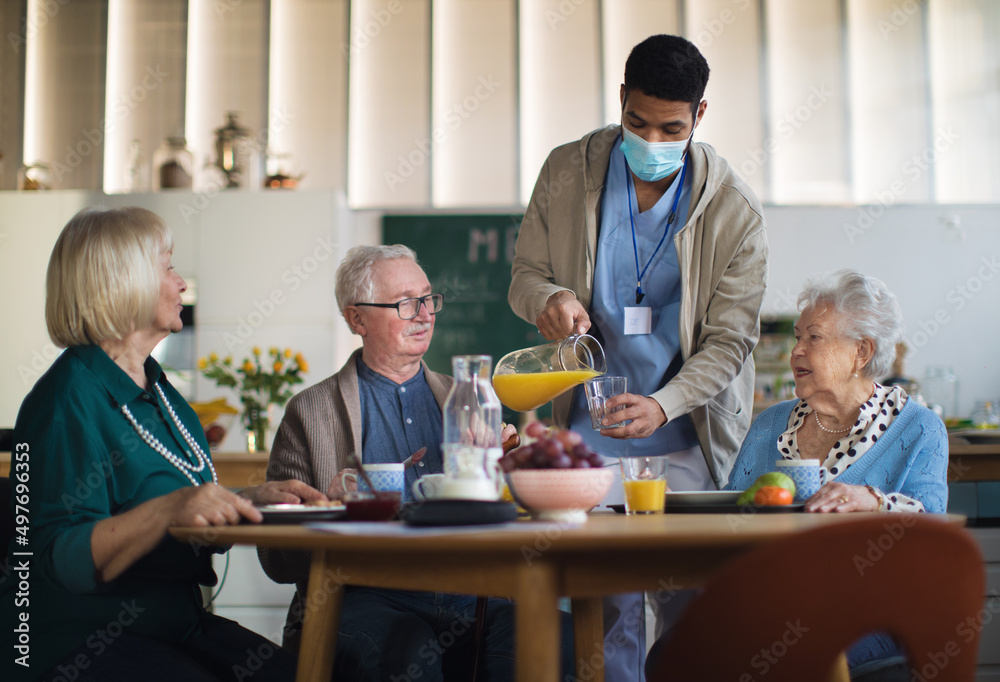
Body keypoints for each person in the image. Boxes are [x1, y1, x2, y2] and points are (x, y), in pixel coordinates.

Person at [508, 34, 768, 681]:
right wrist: (550, 298)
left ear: (700, 117)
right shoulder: (567, 170)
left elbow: (730, 342)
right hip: (589, 447)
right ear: (621, 100)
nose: (652, 140)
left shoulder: (736, 211)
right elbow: (523, 277)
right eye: (638, 122)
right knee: (606, 616)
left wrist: (663, 403)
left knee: (696, 615)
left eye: (671, 127)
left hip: (687, 440)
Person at [1, 207, 319, 682]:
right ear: (122, 280)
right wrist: (170, 510)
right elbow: (55, 556)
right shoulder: (66, 399)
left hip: (176, 625)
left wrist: (244, 500)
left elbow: (182, 501)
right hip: (73, 639)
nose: (181, 284)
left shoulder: (163, 395)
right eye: (168, 267)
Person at [257, 244, 573, 682]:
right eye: (405, 303)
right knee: (408, 648)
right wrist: (325, 509)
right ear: (356, 319)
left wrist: (511, 477)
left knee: (557, 634)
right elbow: (277, 560)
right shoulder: (310, 412)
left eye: (427, 299)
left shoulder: (471, 400)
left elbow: (509, 523)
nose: (425, 314)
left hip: (472, 592)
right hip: (365, 594)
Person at [719, 269, 947, 681]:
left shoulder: (919, 428)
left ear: (861, 352)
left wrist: (874, 502)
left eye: (814, 338)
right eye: (797, 336)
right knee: (675, 651)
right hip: (773, 606)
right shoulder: (770, 425)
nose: (796, 351)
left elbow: (932, 531)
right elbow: (731, 522)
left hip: (873, 616)